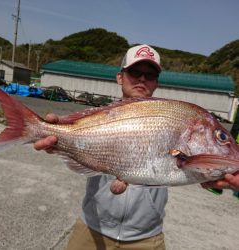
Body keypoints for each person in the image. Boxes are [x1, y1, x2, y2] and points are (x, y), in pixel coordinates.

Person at [34, 45, 239, 250]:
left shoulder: (171, 116)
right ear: (120, 77)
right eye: (134, 72)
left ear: (156, 82)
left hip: (146, 238)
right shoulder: (100, 115)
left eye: (150, 75)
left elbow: (183, 159)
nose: (142, 79)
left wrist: (225, 176)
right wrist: (60, 139)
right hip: (92, 228)